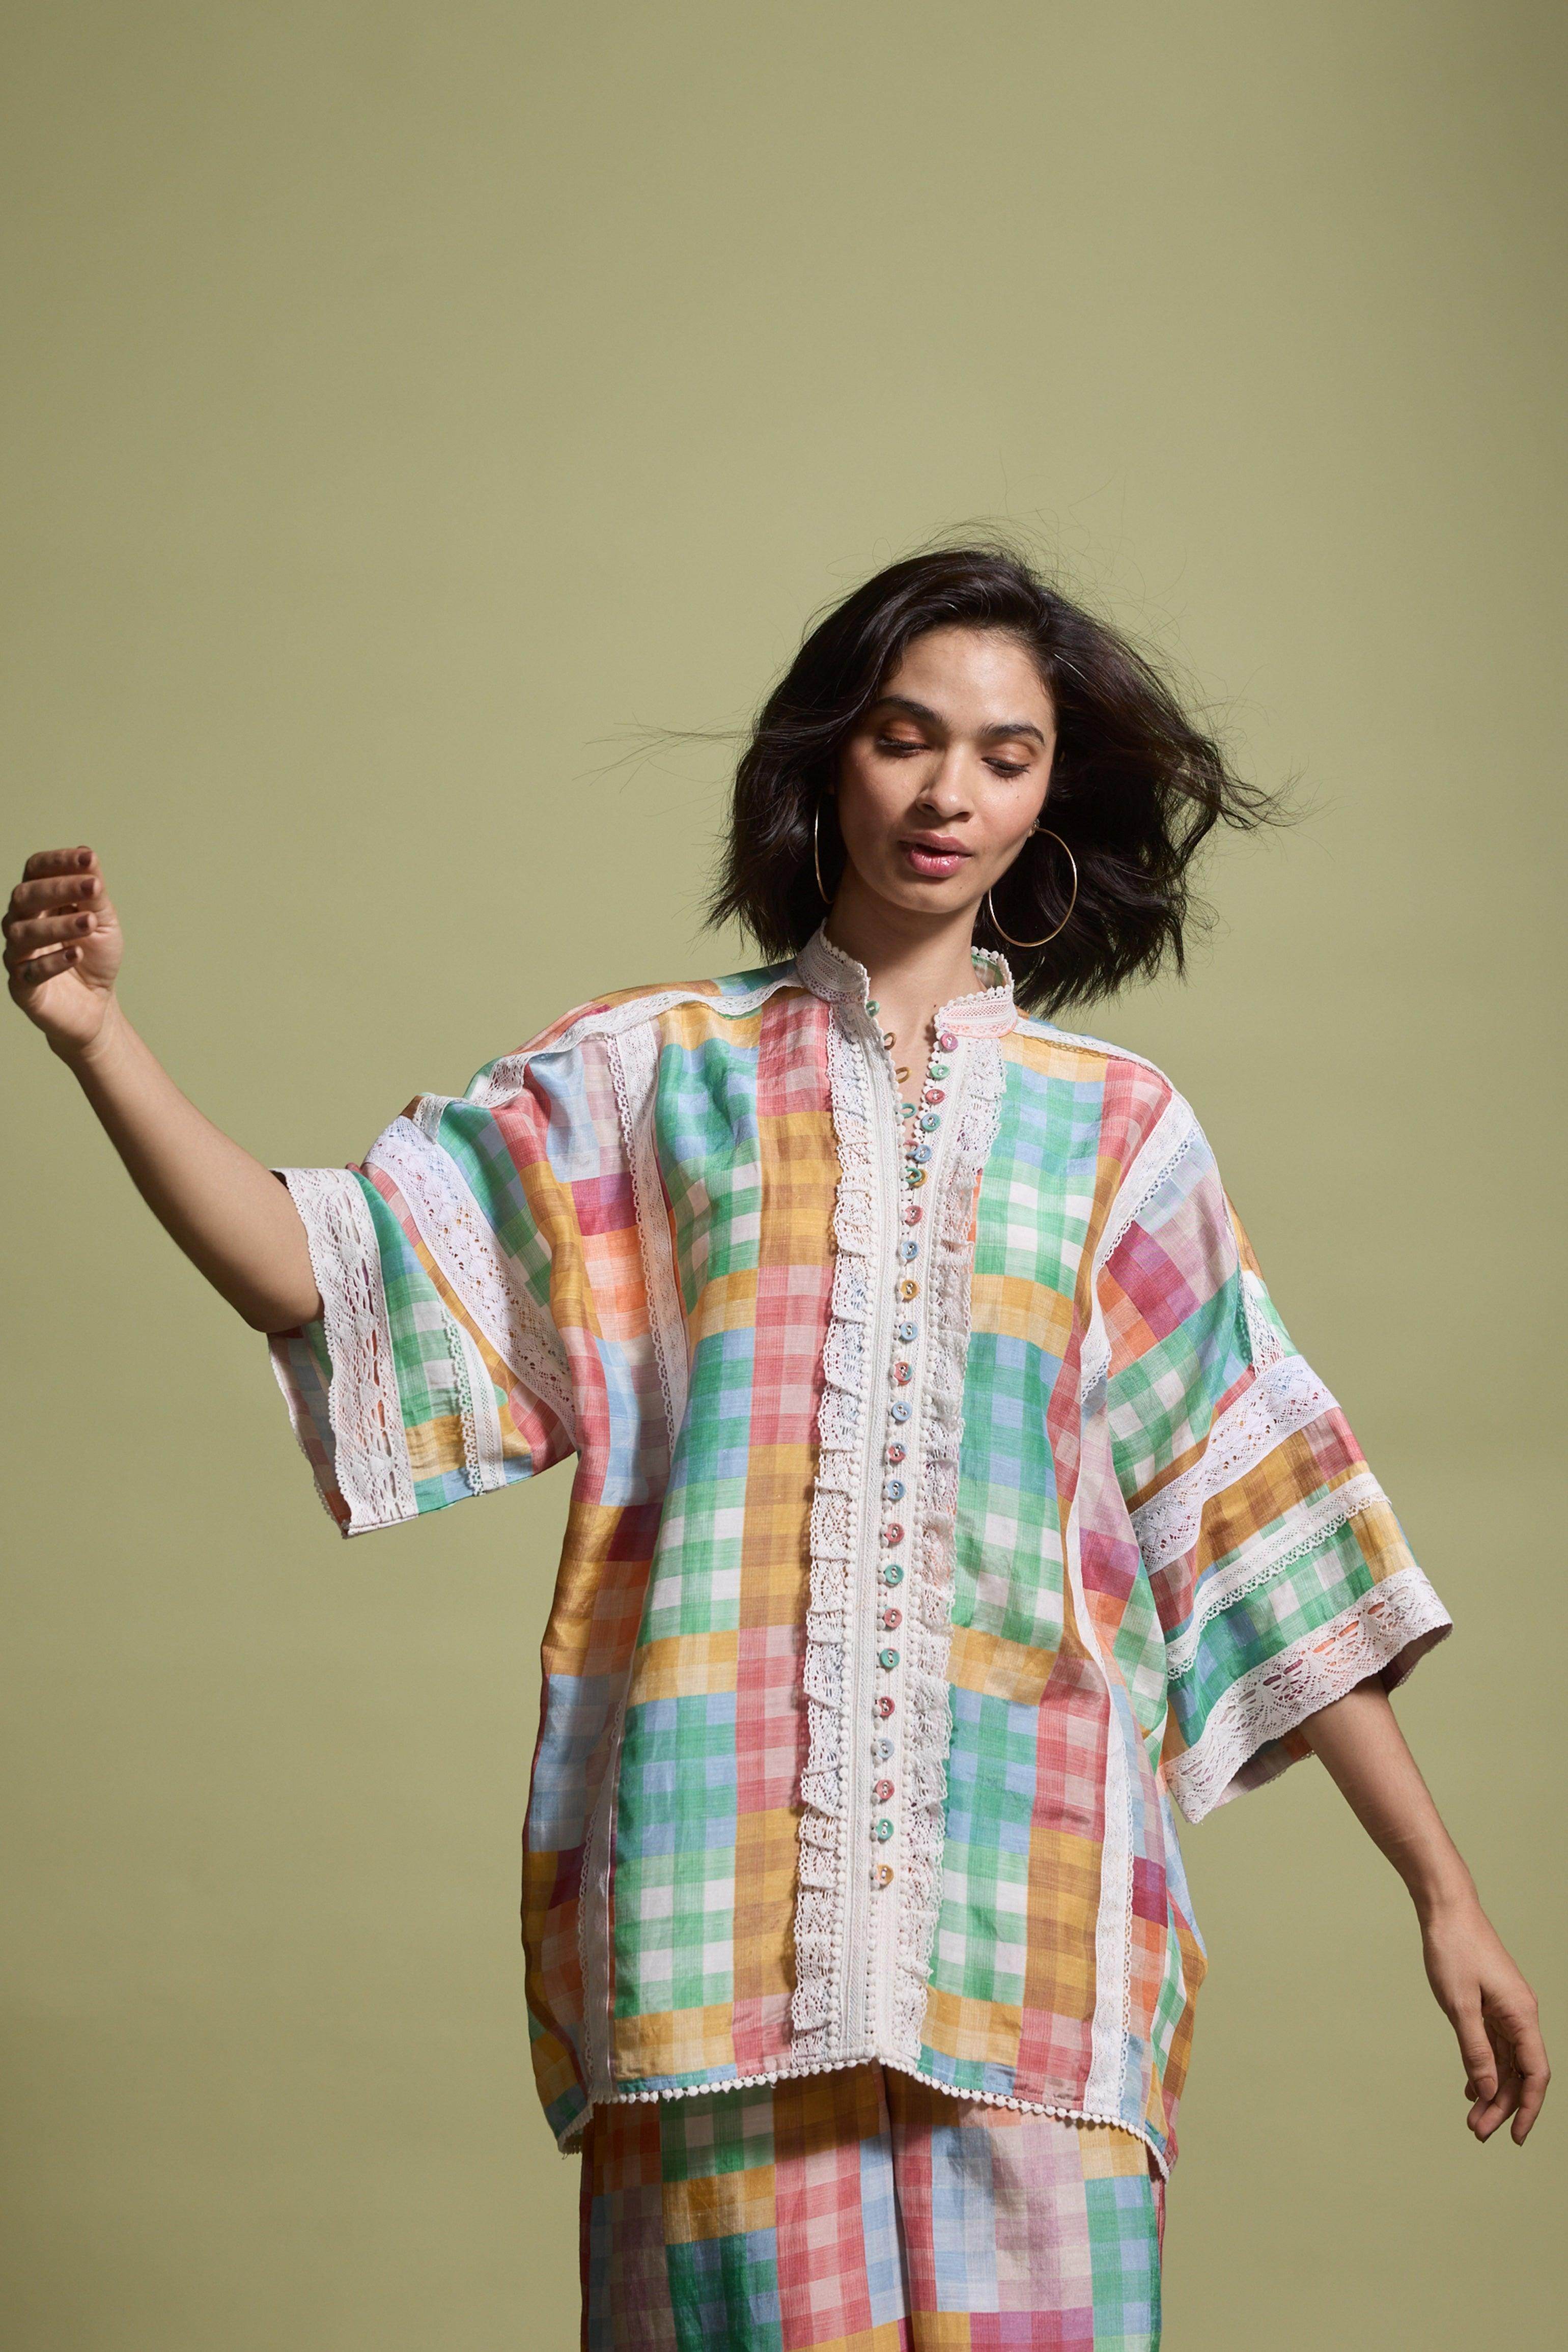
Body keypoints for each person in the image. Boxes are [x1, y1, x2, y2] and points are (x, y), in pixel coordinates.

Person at [7, 546, 1547, 2349]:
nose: (950, 793)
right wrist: (98, 1040)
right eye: (907, 737)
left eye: (1005, 755)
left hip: (1041, 1959)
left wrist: (1445, 1894)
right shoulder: (650, 1082)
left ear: (1050, 799)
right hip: (712, 1948)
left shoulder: (1121, 1139)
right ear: (830, 754)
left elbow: (1257, 1527)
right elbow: (328, 1270)